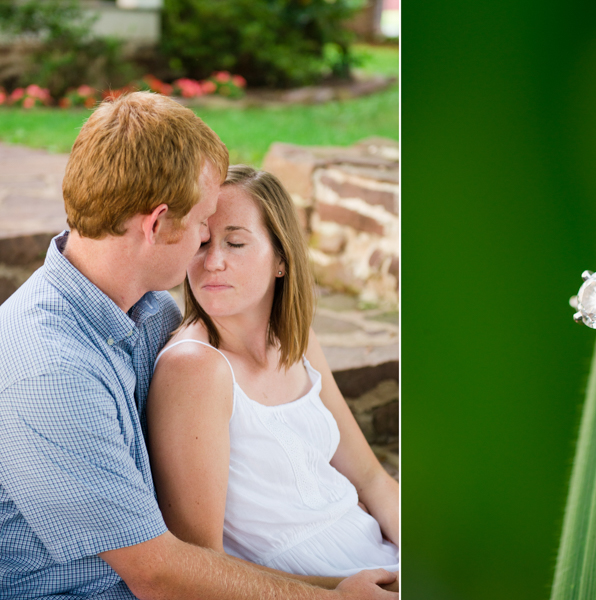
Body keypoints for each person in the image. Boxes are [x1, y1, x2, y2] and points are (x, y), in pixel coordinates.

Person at [0, 92, 397, 599]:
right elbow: (160, 574)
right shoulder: (51, 369)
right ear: (157, 223)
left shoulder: (147, 313)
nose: (205, 251)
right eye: (202, 228)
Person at [146, 165, 399, 589]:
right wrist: (341, 593)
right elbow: (201, 566)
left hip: (376, 561)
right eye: (202, 242)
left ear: (281, 258)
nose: (213, 262)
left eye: (236, 242)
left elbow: (372, 479)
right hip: (314, 590)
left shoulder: (295, 340)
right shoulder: (195, 369)